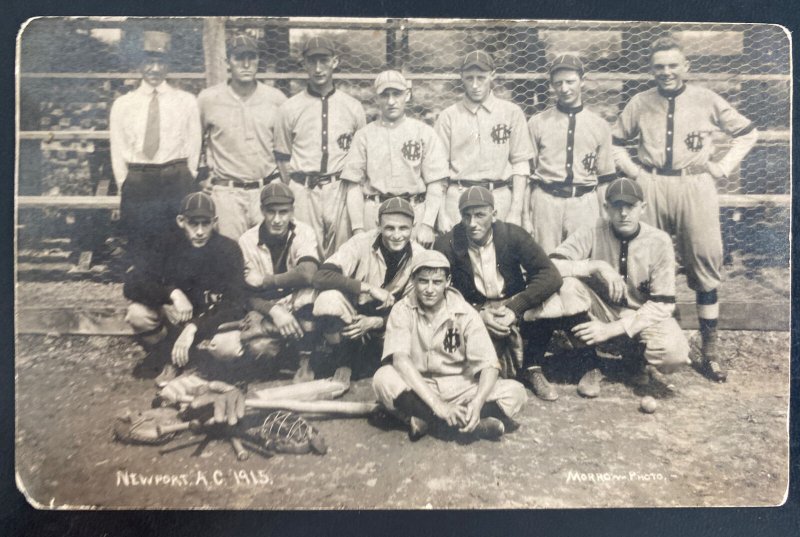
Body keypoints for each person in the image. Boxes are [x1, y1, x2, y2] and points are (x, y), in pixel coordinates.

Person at [611, 36, 758, 382]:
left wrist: (722, 167)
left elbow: (748, 133)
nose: (666, 72)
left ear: (686, 67)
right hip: (653, 185)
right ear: (652, 69)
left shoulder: (706, 99)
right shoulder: (640, 101)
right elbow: (615, 142)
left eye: (673, 65)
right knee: (648, 266)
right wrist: (635, 173)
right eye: (659, 66)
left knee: (705, 261)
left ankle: (709, 352)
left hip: (695, 184)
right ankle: (650, 351)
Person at [528, 178, 691, 398]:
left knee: (674, 353)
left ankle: (635, 361)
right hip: (602, 309)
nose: (623, 213)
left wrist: (611, 330)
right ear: (606, 208)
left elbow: (662, 305)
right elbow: (551, 265)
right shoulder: (593, 229)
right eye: (617, 206)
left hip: (641, 315)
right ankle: (590, 362)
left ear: (643, 208)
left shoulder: (659, 241)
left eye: (630, 206)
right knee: (567, 285)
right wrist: (596, 265)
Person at [372, 250, 528, 441]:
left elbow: (489, 365)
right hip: (419, 386)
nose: (429, 289)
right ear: (412, 280)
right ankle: (465, 426)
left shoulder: (465, 312)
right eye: (423, 281)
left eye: (437, 282)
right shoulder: (402, 310)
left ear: (447, 282)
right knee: (383, 378)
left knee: (516, 392)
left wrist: (477, 403)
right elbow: (400, 360)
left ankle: (427, 420)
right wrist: (439, 406)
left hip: (460, 386)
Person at [434, 186, 563, 401]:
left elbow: (550, 274)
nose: (472, 223)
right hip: (473, 309)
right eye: (466, 216)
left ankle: (533, 367)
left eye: (480, 215)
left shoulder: (513, 235)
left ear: (494, 215)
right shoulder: (447, 244)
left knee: (550, 302)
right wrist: (477, 313)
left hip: (511, 304)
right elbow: (439, 290)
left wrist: (515, 307)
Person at [123, 192, 247, 386]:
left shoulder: (228, 249)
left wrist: (194, 326)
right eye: (193, 224)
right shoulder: (166, 244)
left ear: (215, 222)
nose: (199, 231)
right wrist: (171, 294)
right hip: (175, 319)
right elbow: (132, 283)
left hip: (209, 320)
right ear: (181, 221)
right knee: (137, 314)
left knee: (227, 348)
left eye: (205, 224)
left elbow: (237, 302)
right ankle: (166, 355)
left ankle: (199, 364)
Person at [310, 197, 426, 383]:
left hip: (390, 321)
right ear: (378, 225)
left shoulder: (420, 256)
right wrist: (369, 288)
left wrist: (377, 322)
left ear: (414, 226)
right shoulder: (360, 242)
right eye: (389, 228)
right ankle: (342, 360)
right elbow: (320, 276)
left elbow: (420, 310)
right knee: (327, 300)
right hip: (353, 318)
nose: (397, 235)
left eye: (404, 228)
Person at [110, 30, 202, 261]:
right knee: (141, 244)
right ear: (139, 64)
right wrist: (126, 182)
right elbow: (117, 148)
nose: (154, 68)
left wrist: (187, 175)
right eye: (148, 61)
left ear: (168, 65)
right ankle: (145, 294)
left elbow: (194, 143)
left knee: (178, 243)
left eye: (160, 61)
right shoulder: (123, 104)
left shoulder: (185, 101)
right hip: (139, 180)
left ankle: (178, 294)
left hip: (175, 178)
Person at [273, 36, 367, 259]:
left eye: (324, 60)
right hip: (304, 189)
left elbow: (361, 157)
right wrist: (297, 188)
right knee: (305, 256)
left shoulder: (353, 107)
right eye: (312, 61)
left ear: (334, 61)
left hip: (339, 188)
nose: (318, 68)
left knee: (342, 257)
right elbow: (283, 157)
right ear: (304, 63)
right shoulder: (289, 108)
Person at [341, 70, 448, 248]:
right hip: (375, 214)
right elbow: (353, 185)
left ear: (407, 95)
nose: (391, 101)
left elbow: (435, 183)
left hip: (414, 211)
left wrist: (428, 225)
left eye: (396, 94)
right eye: (385, 95)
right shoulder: (364, 135)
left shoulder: (424, 132)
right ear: (377, 98)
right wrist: (358, 229)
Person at [197, 34, 288, 240]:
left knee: (267, 256)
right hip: (227, 192)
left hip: (265, 190)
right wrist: (201, 175)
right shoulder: (208, 99)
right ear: (227, 61)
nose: (246, 64)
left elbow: (286, 148)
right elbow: (194, 142)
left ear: (258, 60)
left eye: (252, 57)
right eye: (239, 58)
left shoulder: (276, 99)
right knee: (231, 258)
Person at [434, 50, 535, 232]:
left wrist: (515, 210)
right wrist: (441, 214)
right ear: (461, 77)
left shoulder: (511, 113)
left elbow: (521, 165)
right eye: (469, 78)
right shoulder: (448, 116)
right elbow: (438, 172)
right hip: (458, 198)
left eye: (481, 78)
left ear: (492, 75)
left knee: (502, 257)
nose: (475, 85)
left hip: (499, 197)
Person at [526, 54, 616, 253]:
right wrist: (526, 216)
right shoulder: (538, 123)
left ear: (582, 81)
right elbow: (527, 176)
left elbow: (605, 179)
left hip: (584, 202)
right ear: (551, 85)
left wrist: (605, 217)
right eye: (558, 83)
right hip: (546, 201)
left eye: (570, 81)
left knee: (584, 258)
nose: (564, 88)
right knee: (546, 262)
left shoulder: (599, 125)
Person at [234, 182, 321, 380]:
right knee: (258, 348)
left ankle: (305, 360)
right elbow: (247, 294)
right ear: (262, 211)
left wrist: (266, 281)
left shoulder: (304, 231)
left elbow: (308, 273)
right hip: (266, 306)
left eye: (283, 212)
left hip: (296, 299)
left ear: (292, 211)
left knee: (312, 302)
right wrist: (275, 312)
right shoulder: (247, 240)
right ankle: (281, 358)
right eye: (271, 212)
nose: (277, 219)